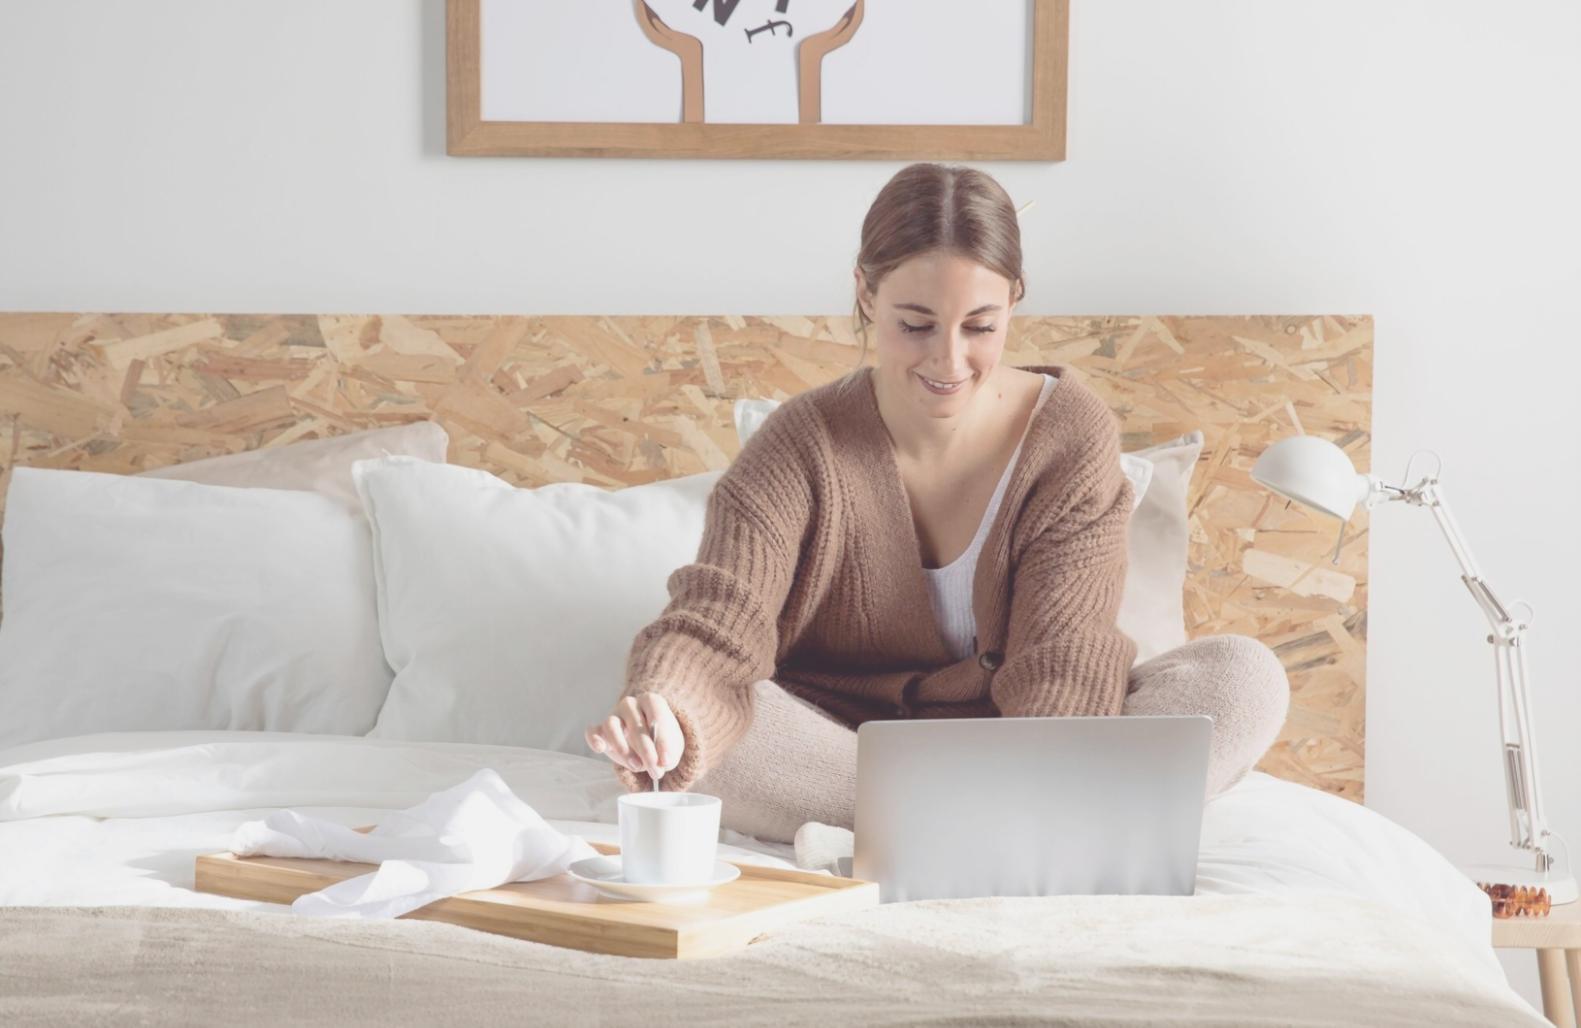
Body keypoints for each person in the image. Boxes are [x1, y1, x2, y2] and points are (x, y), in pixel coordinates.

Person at [585, 163, 1290, 868]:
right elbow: (717, 620)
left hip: (1028, 744)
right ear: (864, 292)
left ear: (1014, 300)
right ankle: (1030, 826)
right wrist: (667, 708)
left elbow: (1063, 655)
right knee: (713, 739)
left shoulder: (1069, 435)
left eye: (979, 326)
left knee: (1243, 677)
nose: (948, 360)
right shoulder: (801, 443)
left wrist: (1042, 761)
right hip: (838, 741)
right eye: (915, 325)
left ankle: (923, 825)